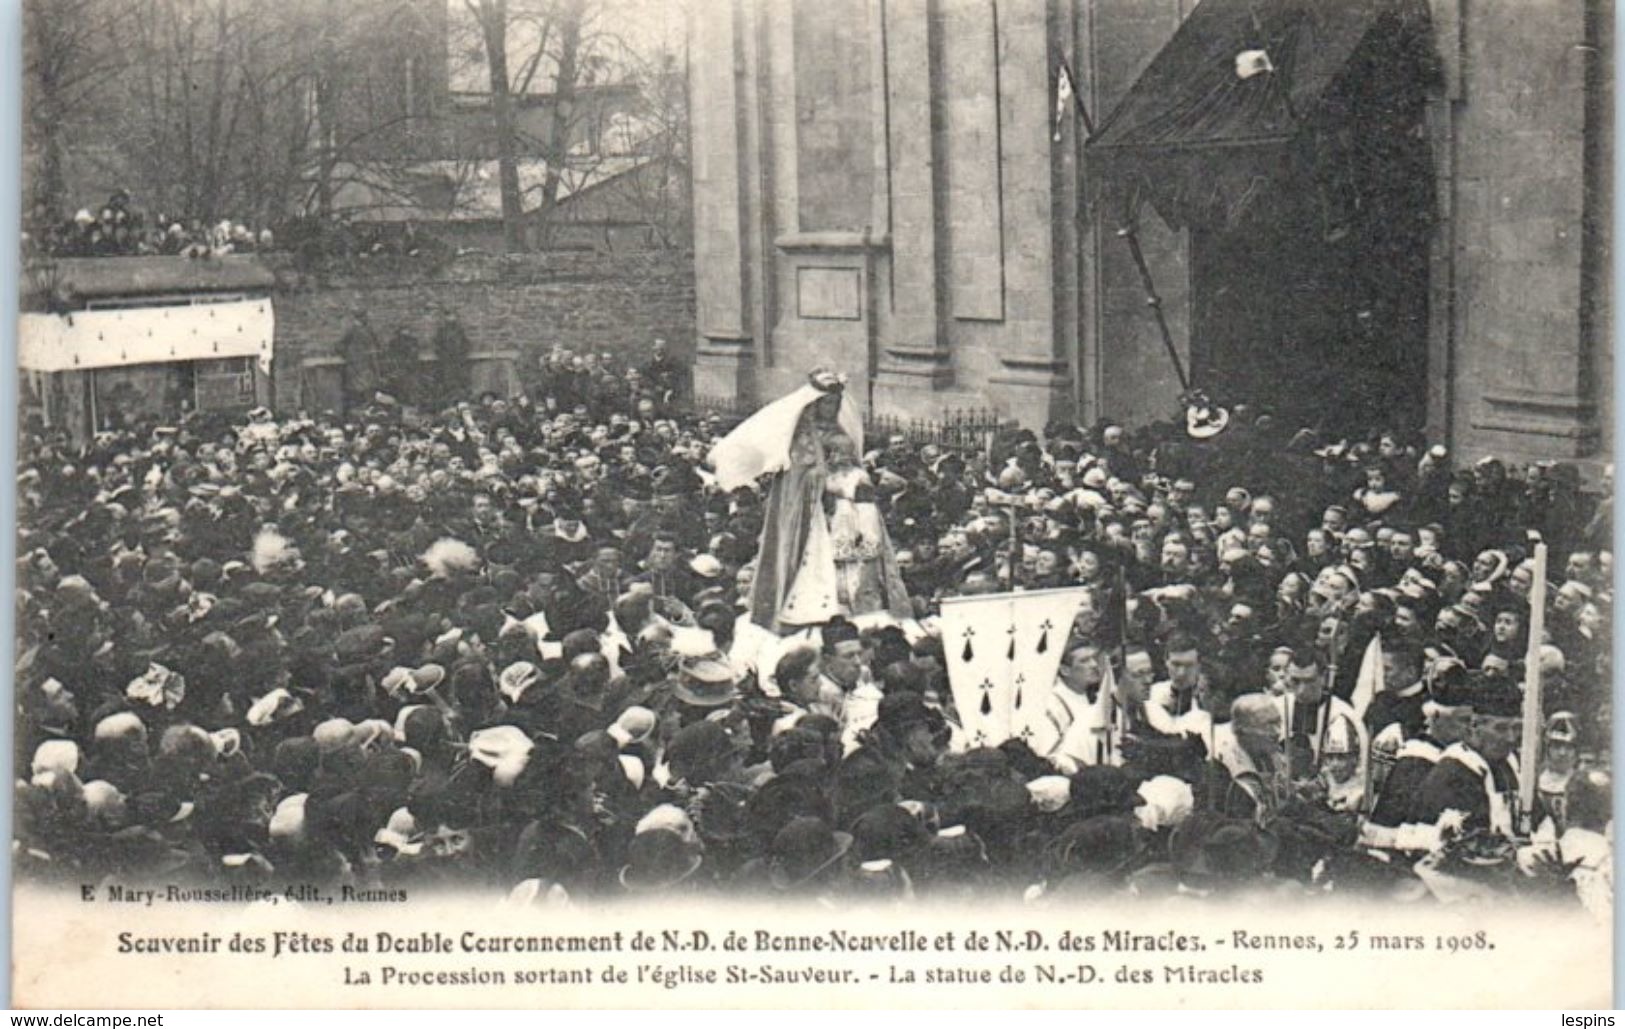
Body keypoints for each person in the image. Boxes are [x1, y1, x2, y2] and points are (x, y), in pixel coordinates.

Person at [710, 370, 907, 631]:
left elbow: (851, 464)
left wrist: (853, 480)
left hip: (848, 508)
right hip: (813, 513)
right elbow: (799, 476)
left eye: (835, 403)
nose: (831, 408)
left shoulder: (840, 431)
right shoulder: (802, 436)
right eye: (826, 402)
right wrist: (824, 480)